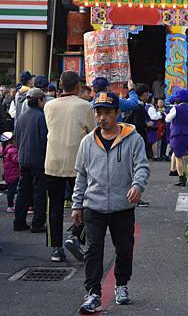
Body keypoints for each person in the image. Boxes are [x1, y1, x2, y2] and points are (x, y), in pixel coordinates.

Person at [72, 91, 150, 313]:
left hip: (122, 206)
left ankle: (122, 284)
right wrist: (77, 204)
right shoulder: (87, 142)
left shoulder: (133, 139)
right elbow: (82, 176)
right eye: (98, 112)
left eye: (107, 112)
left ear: (118, 113)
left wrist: (137, 185)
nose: (102, 117)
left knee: (124, 249)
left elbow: (142, 167)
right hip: (93, 206)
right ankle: (93, 293)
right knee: (93, 250)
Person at [44, 71, 96, 262]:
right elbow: (94, 133)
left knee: (54, 207)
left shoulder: (48, 106)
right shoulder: (85, 106)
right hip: (78, 164)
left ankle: (56, 249)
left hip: (53, 161)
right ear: (78, 87)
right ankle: (75, 235)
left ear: (60, 86)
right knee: (84, 203)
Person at [13, 88, 48, 234]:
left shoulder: (21, 116)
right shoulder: (41, 117)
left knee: (23, 191)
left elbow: (17, 137)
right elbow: (44, 140)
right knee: (39, 192)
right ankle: (37, 223)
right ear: (39, 100)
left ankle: (19, 221)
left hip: (24, 158)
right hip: (38, 160)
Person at [166, 89, 188, 186]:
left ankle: (181, 178)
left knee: (178, 157)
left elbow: (167, 119)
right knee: (185, 156)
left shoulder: (175, 108)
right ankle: (187, 176)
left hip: (177, 134)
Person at [1, 131, 20, 212]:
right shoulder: (12, 150)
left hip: (7, 173)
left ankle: (10, 204)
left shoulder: (4, 149)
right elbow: (16, 160)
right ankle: (10, 206)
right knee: (13, 190)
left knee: (10, 189)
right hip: (14, 173)